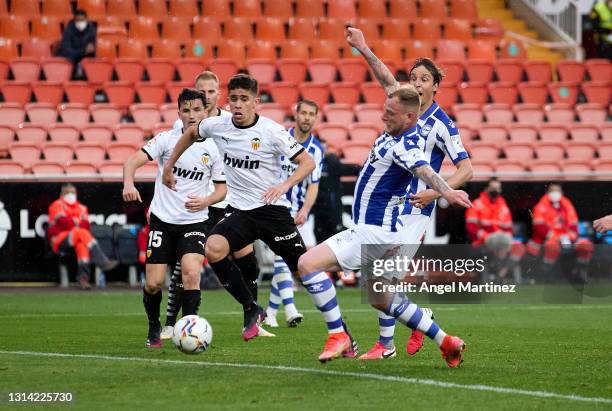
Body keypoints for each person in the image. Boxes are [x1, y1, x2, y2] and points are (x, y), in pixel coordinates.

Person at [297, 85, 473, 364]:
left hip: (372, 233)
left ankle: (339, 335)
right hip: (385, 233)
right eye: (384, 111)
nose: (383, 117)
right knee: (381, 299)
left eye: (390, 114)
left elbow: (423, 170)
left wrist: (446, 191)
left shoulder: (406, 145)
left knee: (307, 265)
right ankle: (445, 341)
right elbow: (391, 84)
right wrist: (364, 48)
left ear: (409, 118)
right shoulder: (395, 132)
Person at [346, 27, 474, 360]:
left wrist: (434, 194)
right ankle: (419, 322)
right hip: (392, 204)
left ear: (435, 86)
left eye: (422, 79)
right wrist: (363, 47)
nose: (415, 83)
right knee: (382, 276)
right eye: (413, 77)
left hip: (416, 211)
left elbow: (467, 170)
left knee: (385, 276)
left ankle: (386, 345)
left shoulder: (442, 123)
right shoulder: (405, 106)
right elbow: (386, 78)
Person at [162, 74, 319, 343]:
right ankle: (250, 308)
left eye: (244, 99)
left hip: (273, 211)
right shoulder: (217, 125)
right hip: (242, 211)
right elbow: (190, 133)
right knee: (213, 248)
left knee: (305, 270)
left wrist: (284, 185)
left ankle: (340, 330)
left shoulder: (271, 131)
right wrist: (169, 165)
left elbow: (308, 162)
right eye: (233, 99)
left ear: (256, 102)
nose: (237, 104)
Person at [159, 70, 262, 340]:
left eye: (211, 91)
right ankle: (171, 322)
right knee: (186, 265)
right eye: (201, 91)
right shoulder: (181, 124)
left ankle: (251, 321)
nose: (206, 96)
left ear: (220, 95)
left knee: (248, 261)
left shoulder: (232, 121)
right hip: (199, 204)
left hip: (230, 199)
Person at [122, 88, 227, 348]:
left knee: (192, 273)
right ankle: (154, 325)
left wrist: (206, 200)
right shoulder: (166, 140)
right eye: (186, 110)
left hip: (194, 221)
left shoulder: (214, 148)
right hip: (162, 221)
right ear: (179, 112)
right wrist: (128, 183)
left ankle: (189, 328)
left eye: (197, 110)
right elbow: (132, 162)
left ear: (206, 112)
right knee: (154, 283)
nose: (191, 115)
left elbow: (222, 189)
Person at [264, 99, 324, 328]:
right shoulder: (280, 138)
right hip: (275, 207)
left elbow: (314, 184)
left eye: (312, 114)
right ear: (295, 113)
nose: (307, 117)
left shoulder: (316, 150)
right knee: (286, 256)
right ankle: (289, 309)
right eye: (304, 113)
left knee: (299, 261)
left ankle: (270, 311)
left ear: (316, 118)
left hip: (298, 212)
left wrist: (305, 210)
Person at [47, 184, 118, 289]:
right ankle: (102, 261)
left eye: (73, 192)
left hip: (77, 240)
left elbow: (86, 225)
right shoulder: (56, 205)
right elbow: (63, 222)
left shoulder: (82, 207)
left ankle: (83, 279)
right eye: (67, 192)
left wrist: (73, 222)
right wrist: (76, 222)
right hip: (60, 241)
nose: (70, 195)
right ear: (61, 194)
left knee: (82, 245)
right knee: (80, 232)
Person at [526, 184, 594, 282]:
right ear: (547, 193)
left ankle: (579, 273)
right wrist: (557, 237)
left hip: (567, 238)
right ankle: (544, 275)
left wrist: (568, 237)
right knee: (552, 246)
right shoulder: (541, 206)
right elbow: (539, 227)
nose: (555, 193)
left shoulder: (566, 205)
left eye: (557, 191)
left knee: (586, 246)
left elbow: (573, 226)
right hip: (549, 239)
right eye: (552, 191)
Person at [465, 179, 524, 282]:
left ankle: (502, 273)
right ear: (487, 189)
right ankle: (495, 275)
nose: (495, 190)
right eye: (493, 188)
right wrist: (486, 237)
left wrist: (506, 240)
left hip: (501, 240)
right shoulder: (477, 204)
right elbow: (471, 227)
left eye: (497, 188)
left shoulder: (503, 206)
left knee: (519, 247)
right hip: (482, 241)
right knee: (498, 247)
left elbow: (508, 228)